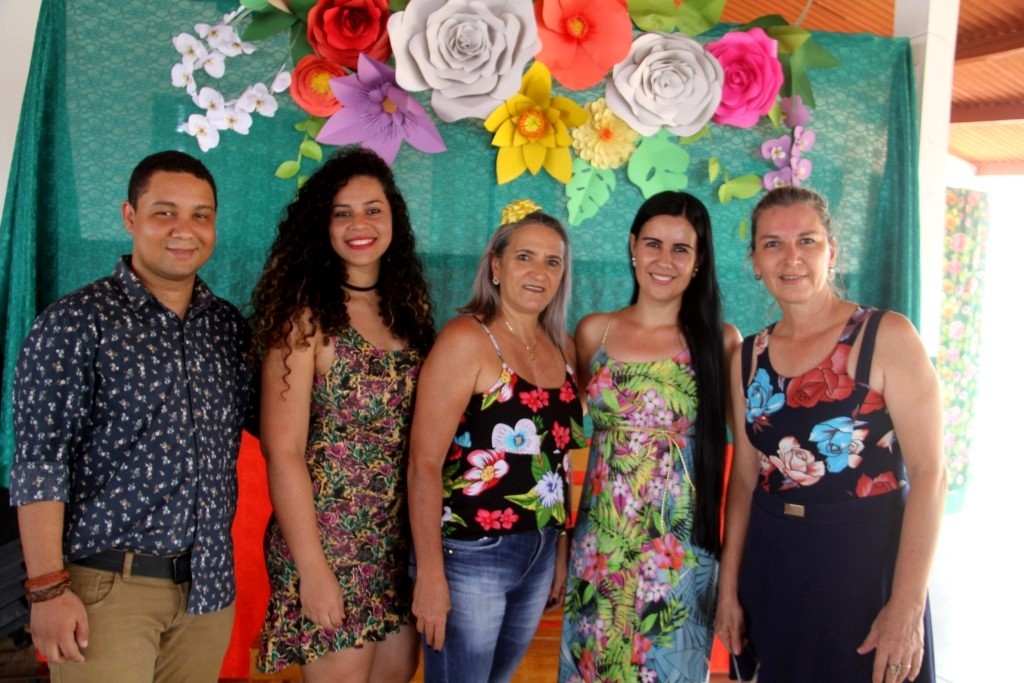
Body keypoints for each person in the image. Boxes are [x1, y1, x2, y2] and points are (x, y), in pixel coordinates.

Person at [10, 150, 252, 682]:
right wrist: (47, 589)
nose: (184, 230)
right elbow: (40, 465)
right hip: (106, 590)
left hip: (207, 592)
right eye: (165, 212)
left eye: (200, 215)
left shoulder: (226, 329)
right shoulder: (76, 323)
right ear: (130, 216)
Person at [715, 186, 945, 683]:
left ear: (832, 251)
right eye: (772, 244)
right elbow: (745, 482)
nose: (791, 258)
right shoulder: (747, 358)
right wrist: (728, 589)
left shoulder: (886, 336)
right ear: (754, 261)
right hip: (773, 563)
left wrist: (906, 605)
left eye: (807, 241)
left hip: (864, 564)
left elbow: (931, 474)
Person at [251, 147, 435, 683]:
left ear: (394, 219)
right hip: (328, 541)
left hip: (395, 541)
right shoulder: (303, 319)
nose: (360, 224)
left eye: (373, 210)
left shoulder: (409, 310)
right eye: (342, 212)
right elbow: (282, 452)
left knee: (396, 673)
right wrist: (312, 571)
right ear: (323, 225)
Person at [559, 191, 741, 682]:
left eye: (681, 249)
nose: (665, 260)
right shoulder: (594, 332)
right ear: (633, 246)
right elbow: (560, 434)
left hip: (678, 556)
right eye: (653, 244)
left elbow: (749, 460)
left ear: (699, 261)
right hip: (599, 548)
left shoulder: (720, 342)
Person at [407, 200, 586, 683]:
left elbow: (558, 461)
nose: (539, 272)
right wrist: (429, 575)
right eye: (524, 257)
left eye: (552, 262)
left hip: (539, 548)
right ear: (496, 267)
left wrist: (560, 548)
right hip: (470, 551)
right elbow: (423, 463)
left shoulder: (563, 347)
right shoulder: (467, 339)